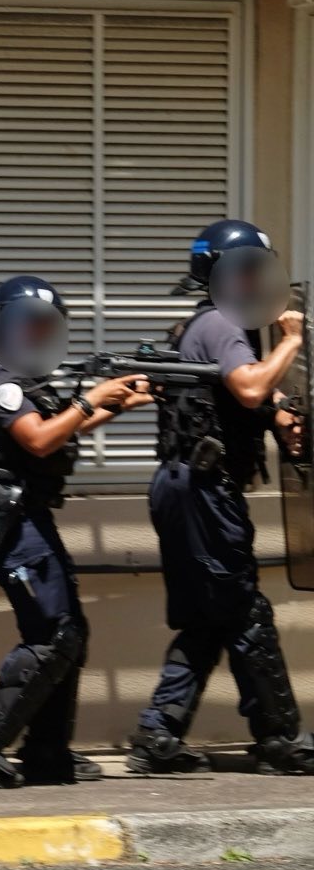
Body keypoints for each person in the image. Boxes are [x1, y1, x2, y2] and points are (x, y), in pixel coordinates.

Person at [0, 278, 154, 787]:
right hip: (9, 522)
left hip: (26, 518)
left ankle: (47, 751)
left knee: (69, 633)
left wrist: (118, 403)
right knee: (53, 633)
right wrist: (90, 400)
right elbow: (38, 439)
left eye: (46, 326)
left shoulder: (23, 377)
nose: (39, 334)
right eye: (29, 324)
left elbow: (59, 429)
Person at [128, 219, 314, 775]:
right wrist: (293, 340)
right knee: (244, 609)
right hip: (204, 489)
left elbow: (238, 395)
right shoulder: (221, 322)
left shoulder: (203, 324)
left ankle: (158, 734)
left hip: (184, 485)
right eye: (248, 270)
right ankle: (280, 738)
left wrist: (279, 414)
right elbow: (250, 386)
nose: (258, 282)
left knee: (208, 620)